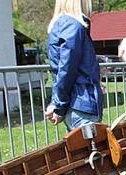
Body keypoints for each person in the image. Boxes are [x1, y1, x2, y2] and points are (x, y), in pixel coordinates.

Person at [45, 0, 103, 135]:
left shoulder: (62, 25)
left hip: (76, 105)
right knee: (92, 154)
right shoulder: (72, 26)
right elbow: (66, 70)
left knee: (82, 154)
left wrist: (57, 104)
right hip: (81, 105)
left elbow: (60, 71)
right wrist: (58, 106)